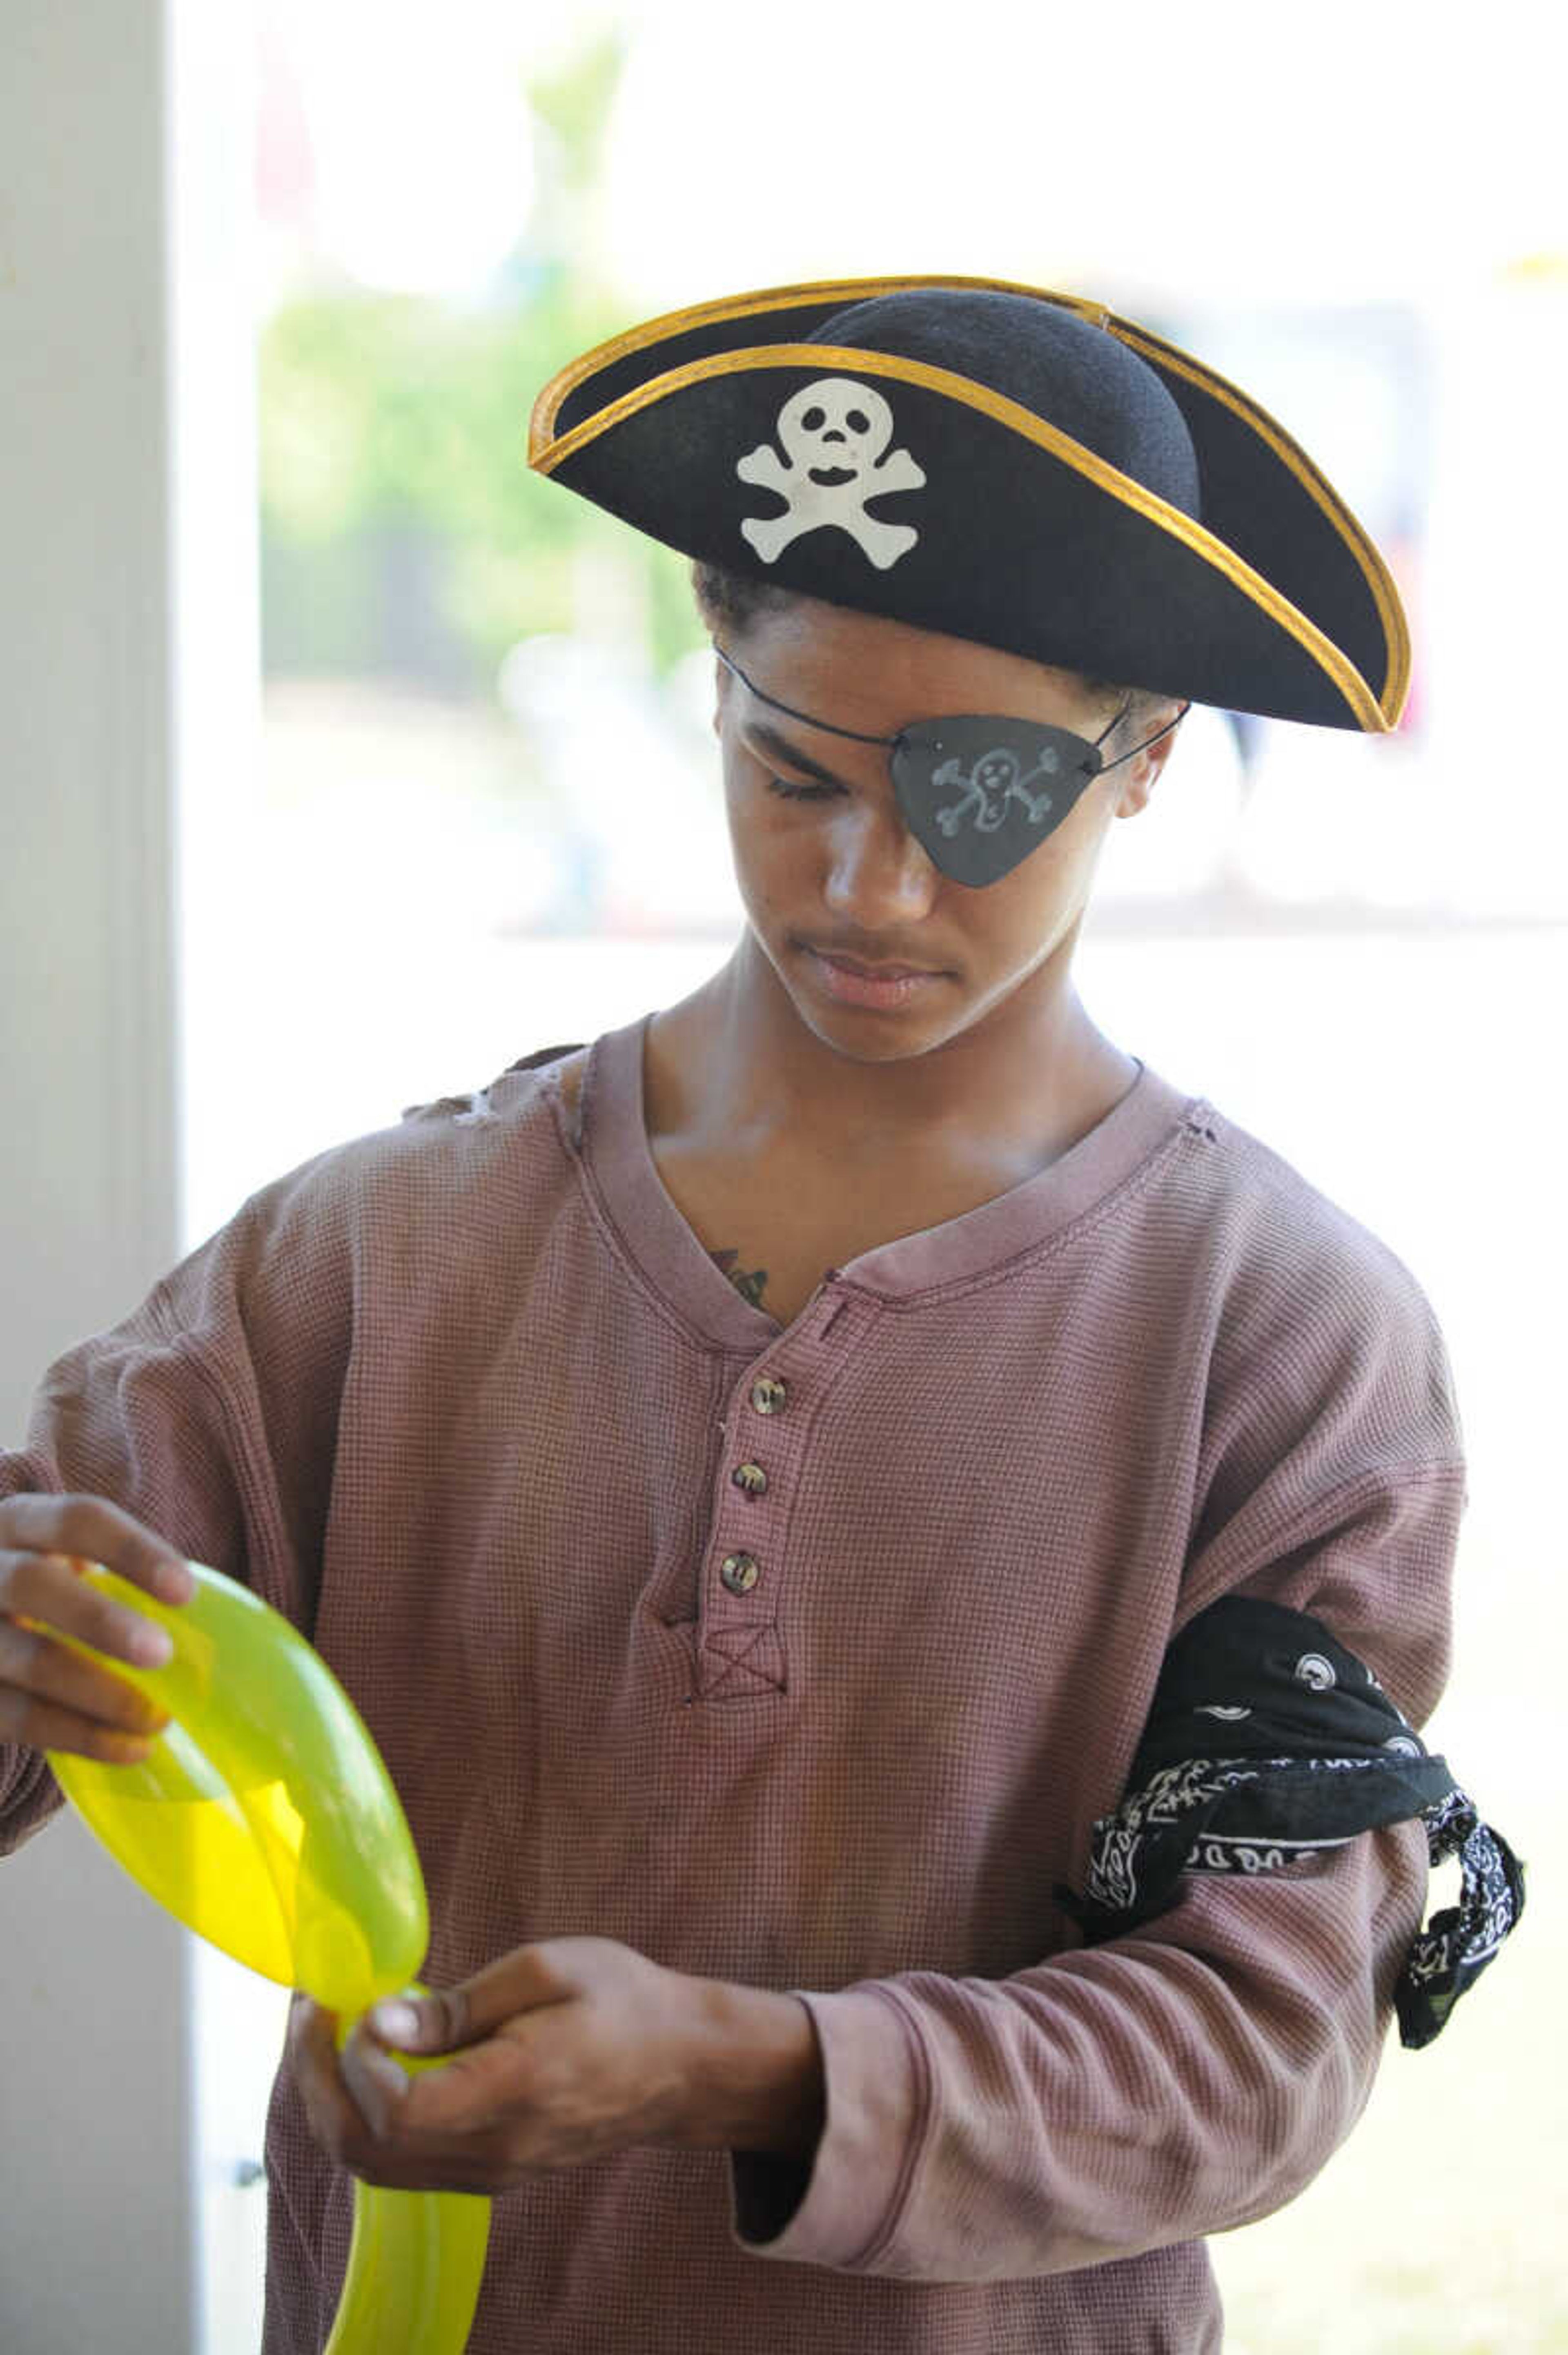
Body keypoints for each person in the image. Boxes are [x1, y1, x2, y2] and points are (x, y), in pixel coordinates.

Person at [0, 278, 1521, 2354]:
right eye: (798, 771)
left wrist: (765, 2067)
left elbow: (1255, 2041)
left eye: (980, 798)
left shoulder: (1281, 1341)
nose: (869, 884)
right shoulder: (372, 1262)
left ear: (1146, 760)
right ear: (712, 677)